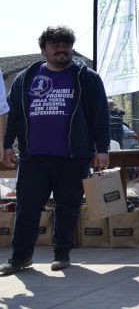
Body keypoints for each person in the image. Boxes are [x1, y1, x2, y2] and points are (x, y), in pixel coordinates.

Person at [1, 26, 110, 275]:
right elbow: (13, 114)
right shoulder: (25, 78)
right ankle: (20, 258)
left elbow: (100, 114)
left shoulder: (87, 77)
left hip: (74, 155)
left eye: (66, 45)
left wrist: (102, 148)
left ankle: (62, 254)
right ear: (43, 50)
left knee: (67, 206)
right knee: (27, 207)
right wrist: (7, 145)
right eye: (55, 46)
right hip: (33, 156)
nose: (61, 50)